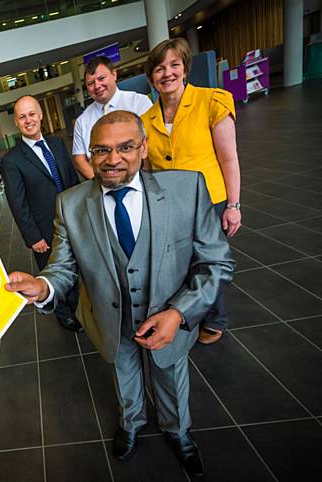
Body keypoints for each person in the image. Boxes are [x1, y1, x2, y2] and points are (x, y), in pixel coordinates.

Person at [5, 111, 235, 476]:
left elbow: (218, 263)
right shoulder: (71, 204)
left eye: (125, 147)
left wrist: (178, 313)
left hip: (169, 318)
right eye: (101, 150)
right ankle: (132, 423)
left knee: (172, 377)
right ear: (90, 154)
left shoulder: (186, 189)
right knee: (124, 373)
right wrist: (44, 286)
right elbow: (63, 267)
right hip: (112, 317)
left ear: (143, 148)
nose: (113, 159)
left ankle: (178, 431)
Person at [142, 38, 242, 345]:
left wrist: (234, 204)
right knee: (182, 264)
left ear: (185, 68)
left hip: (210, 200)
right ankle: (192, 313)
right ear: (151, 77)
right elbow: (147, 168)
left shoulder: (213, 101)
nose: (167, 73)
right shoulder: (146, 121)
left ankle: (216, 320)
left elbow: (228, 157)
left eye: (174, 65)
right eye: (159, 68)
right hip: (170, 205)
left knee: (209, 263)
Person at [0, 96, 82, 332]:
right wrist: (33, 237)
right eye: (22, 116)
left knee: (78, 266)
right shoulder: (12, 160)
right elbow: (18, 203)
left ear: (41, 115)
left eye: (32, 114)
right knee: (51, 270)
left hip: (72, 220)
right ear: (16, 122)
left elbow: (73, 182)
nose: (29, 120)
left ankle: (80, 307)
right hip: (44, 230)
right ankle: (64, 314)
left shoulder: (57, 144)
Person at [72, 56, 153, 180]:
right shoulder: (82, 121)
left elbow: (150, 145)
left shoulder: (139, 102)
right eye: (90, 83)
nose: (97, 86)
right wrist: (102, 184)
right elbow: (79, 160)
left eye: (101, 78)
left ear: (114, 74)